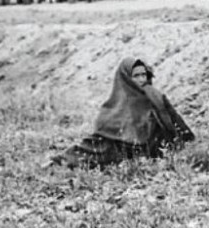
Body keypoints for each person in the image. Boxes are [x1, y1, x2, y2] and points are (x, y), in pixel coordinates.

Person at [51, 58, 195, 169]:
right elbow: (96, 142)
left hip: (156, 153)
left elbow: (178, 124)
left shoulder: (155, 96)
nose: (141, 80)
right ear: (126, 77)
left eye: (143, 75)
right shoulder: (113, 107)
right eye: (136, 76)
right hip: (121, 155)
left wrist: (183, 143)